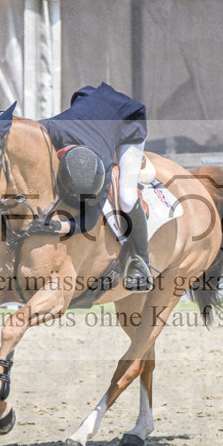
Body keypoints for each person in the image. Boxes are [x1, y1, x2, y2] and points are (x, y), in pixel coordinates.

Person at [39, 83, 153, 292]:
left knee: (127, 198)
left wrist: (58, 227)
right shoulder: (52, 127)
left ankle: (142, 261)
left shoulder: (104, 167)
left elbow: (90, 220)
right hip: (87, 103)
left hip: (128, 120)